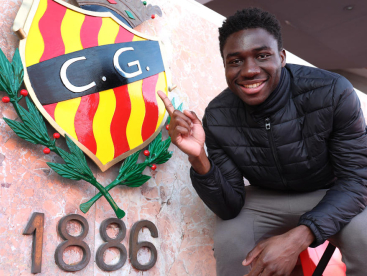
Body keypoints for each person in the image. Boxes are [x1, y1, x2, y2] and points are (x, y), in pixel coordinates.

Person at [157, 7, 367, 276]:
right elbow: (229, 207)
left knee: (364, 237)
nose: (249, 70)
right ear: (224, 65)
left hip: (331, 191)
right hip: (265, 199)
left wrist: (299, 237)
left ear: (281, 57)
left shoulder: (332, 92)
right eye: (235, 61)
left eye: (262, 56)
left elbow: (357, 181)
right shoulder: (218, 116)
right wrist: (198, 158)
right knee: (230, 240)